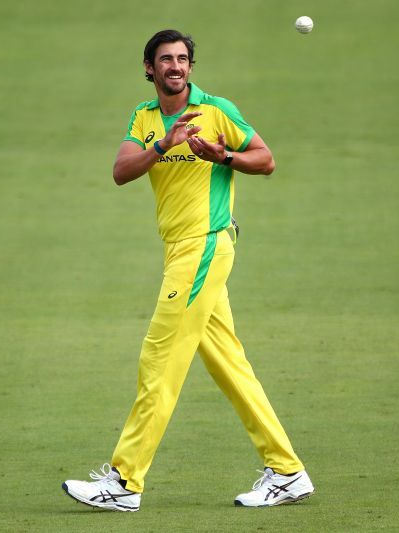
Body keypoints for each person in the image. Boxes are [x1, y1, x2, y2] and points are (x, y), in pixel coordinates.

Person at [62, 29, 313, 512]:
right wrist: (163, 145)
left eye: (182, 59)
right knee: (229, 365)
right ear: (149, 69)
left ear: (190, 68)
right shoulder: (145, 116)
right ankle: (287, 471)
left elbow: (267, 160)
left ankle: (125, 481)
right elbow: (120, 171)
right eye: (165, 60)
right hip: (178, 250)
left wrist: (225, 156)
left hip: (204, 247)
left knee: (160, 360)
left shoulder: (217, 110)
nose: (175, 67)